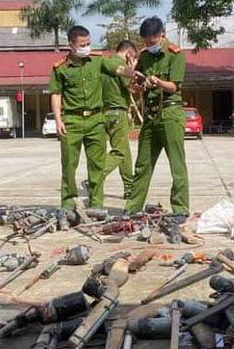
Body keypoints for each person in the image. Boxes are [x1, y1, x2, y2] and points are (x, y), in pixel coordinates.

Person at [48, 26, 125, 210]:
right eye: (82, 44)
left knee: (97, 165)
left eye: (88, 43)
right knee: (68, 165)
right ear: (71, 45)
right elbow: (56, 94)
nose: (86, 47)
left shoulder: (97, 61)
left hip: (96, 121)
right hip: (72, 122)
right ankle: (68, 203)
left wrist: (136, 73)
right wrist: (58, 120)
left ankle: (96, 203)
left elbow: (118, 69)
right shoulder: (61, 68)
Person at [124, 17, 190, 216]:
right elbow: (133, 86)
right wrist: (139, 84)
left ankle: (180, 209)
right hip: (150, 117)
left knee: (176, 164)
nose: (149, 45)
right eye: (146, 41)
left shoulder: (175, 54)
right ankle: (133, 207)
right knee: (142, 164)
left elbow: (174, 86)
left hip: (170, 113)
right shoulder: (144, 57)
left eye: (152, 41)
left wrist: (158, 82)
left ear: (162, 35)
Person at [100, 40, 139, 200]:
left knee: (119, 151)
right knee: (121, 152)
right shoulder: (120, 65)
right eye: (133, 56)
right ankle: (96, 177)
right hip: (118, 112)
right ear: (129, 54)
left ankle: (129, 187)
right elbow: (130, 86)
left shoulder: (106, 64)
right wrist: (134, 68)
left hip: (104, 112)